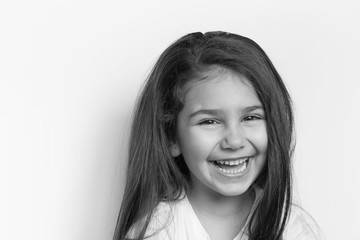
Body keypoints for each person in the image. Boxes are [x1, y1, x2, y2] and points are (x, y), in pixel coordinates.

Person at [113, 31, 324, 240]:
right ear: (171, 137)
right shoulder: (156, 232)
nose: (234, 141)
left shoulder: (293, 228)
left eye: (250, 118)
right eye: (209, 121)